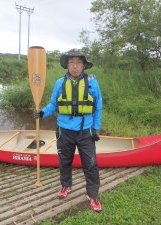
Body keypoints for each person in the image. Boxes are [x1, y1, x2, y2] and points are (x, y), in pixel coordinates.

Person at [34, 48, 103, 212]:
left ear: (84, 65)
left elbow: (98, 106)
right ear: (67, 65)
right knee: (64, 162)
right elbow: (53, 105)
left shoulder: (92, 82)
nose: (75, 66)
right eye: (72, 62)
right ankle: (66, 186)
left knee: (90, 164)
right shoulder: (59, 83)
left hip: (85, 131)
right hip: (64, 131)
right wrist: (42, 112)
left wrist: (96, 128)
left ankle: (92, 194)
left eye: (79, 62)